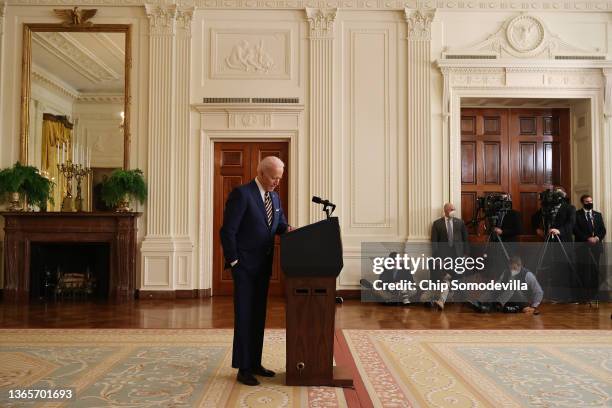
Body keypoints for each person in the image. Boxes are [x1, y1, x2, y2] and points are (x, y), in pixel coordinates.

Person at [220, 156, 290, 386]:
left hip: (263, 268)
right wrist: (234, 262)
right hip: (244, 268)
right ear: (261, 173)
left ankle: (255, 363)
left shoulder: (275, 197)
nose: (277, 182)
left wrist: (291, 230)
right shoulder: (242, 194)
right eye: (274, 177)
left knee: (258, 316)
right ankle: (243, 368)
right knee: (245, 316)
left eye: (280, 178)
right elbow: (227, 231)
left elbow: (278, 225)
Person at [429, 202, 469, 309]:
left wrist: (466, 254)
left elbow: (465, 239)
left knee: (459, 277)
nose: (453, 211)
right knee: (446, 276)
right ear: (446, 210)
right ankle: (445, 297)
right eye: (451, 209)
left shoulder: (460, 223)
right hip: (444, 257)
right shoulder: (437, 223)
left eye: (454, 209)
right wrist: (437, 258)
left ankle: (462, 298)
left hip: (458, 256)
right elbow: (434, 243)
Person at [574, 194, 606, 303]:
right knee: (583, 271)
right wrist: (587, 238)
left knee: (594, 271)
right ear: (582, 203)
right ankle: (582, 297)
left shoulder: (597, 214)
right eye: (587, 201)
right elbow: (575, 230)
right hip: (582, 247)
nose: (590, 203)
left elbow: (603, 230)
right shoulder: (577, 214)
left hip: (596, 247)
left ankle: (594, 295)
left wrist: (597, 238)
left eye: (591, 201)